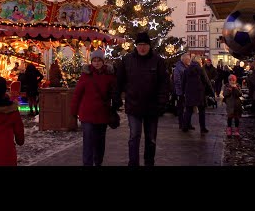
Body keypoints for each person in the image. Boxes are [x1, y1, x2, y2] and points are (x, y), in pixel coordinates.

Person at [116, 31, 170, 166]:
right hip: (133, 106)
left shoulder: (158, 61)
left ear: (149, 46)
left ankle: (149, 162)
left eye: (145, 44)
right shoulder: (127, 60)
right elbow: (119, 82)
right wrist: (117, 98)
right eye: (140, 44)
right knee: (134, 136)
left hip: (152, 107)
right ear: (136, 46)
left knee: (151, 138)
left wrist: (162, 101)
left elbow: (164, 83)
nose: (142, 47)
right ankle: (133, 162)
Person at [70, 49, 119, 166]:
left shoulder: (109, 76)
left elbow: (115, 93)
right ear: (91, 61)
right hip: (87, 114)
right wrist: (73, 111)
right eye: (94, 60)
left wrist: (115, 105)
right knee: (88, 142)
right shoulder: (86, 75)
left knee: (100, 142)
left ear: (103, 61)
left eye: (99, 60)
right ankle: (87, 163)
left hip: (102, 114)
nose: (96, 63)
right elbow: (77, 94)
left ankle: (98, 162)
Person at [181, 55, 214, 134]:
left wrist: (183, 92)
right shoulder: (201, 69)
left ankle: (185, 126)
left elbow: (183, 82)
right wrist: (212, 92)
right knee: (202, 111)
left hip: (189, 92)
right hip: (200, 93)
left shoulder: (187, 69)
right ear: (199, 61)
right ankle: (202, 128)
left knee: (188, 110)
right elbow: (206, 81)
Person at [172, 53, 192, 130]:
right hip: (181, 92)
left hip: (186, 91)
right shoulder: (179, 68)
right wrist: (181, 91)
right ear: (184, 60)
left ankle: (187, 123)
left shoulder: (187, 66)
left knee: (188, 108)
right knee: (181, 109)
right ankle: (181, 124)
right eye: (188, 59)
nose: (189, 61)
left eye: (189, 59)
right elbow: (177, 81)